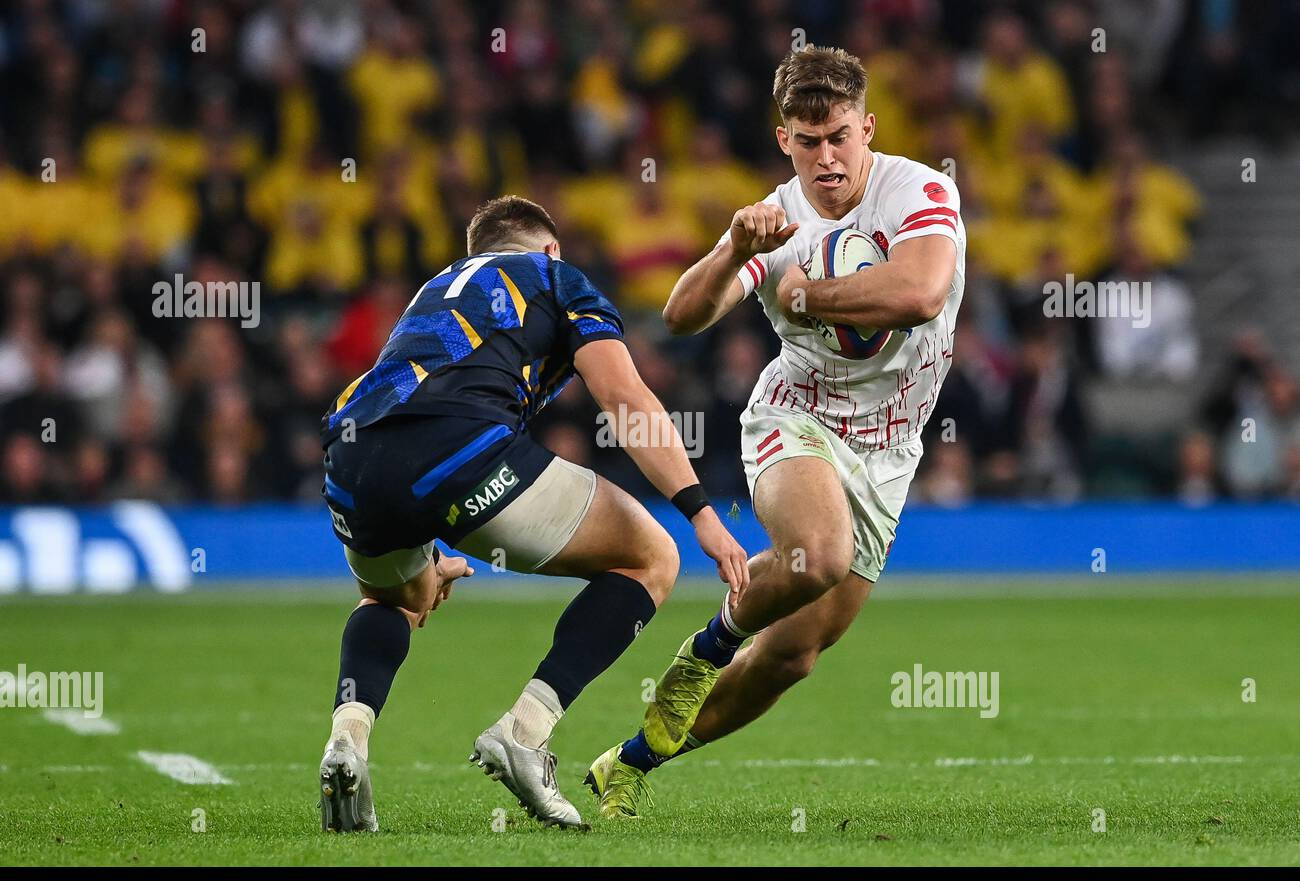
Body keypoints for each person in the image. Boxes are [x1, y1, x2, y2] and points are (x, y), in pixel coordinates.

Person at [587, 46, 965, 817]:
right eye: (807, 139)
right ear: (783, 138)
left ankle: (630, 761)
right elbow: (682, 316)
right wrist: (734, 248)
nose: (826, 158)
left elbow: (923, 292)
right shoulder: (776, 218)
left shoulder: (920, 189)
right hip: (796, 418)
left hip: (888, 449)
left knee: (793, 655)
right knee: (815, 554)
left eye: (839, 137)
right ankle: (705, 649)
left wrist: (810, 296)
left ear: (868, 128)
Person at [317, 195, 748, 831]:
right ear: (548, 248)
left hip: (350, 458)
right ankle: (525, 731)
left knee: (394, 600)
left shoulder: (434, 291)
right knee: (652, 557)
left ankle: (347, 736)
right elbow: (624, 398)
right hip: (459, 450)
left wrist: (428, 559)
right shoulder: (555, 276)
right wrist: (699, 511)